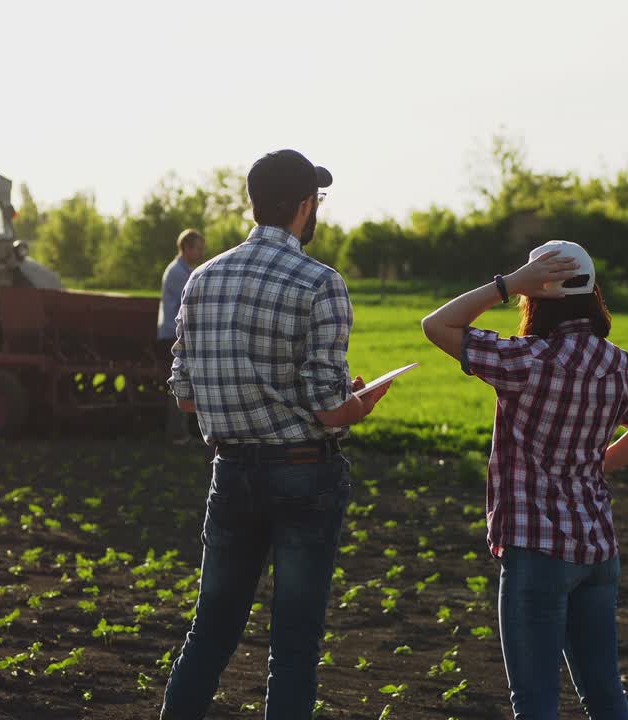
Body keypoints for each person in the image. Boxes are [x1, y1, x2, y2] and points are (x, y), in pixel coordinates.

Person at [159, 149, 391, 719]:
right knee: (293, 645)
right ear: (306, 206)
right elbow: (329, 408)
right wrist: (359, 402)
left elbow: (185, 395)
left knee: (209, 632)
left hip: (230, 472)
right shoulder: (321, 282)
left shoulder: (202, 279)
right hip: (305, 472)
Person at [421, 240, 628, 720]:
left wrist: (506, 284)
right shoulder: (616, 363)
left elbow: (436, 325)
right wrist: (596, 463)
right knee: (604, 695)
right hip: (598, 550)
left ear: (537, 298)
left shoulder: (525, 360)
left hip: (536, 553)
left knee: (535, 703)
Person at [159, 228, 207, 444]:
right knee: (180, 380)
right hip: (173, 334)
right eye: (198, 248)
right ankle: (177, 432)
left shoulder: (182, 270)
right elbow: (194, 302)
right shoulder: (179, 273)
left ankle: (185, 430)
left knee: (185, 379)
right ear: (186, 247)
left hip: (176, 333)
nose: (201, 252)